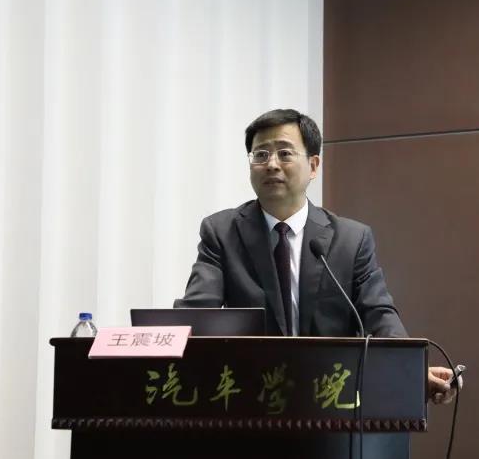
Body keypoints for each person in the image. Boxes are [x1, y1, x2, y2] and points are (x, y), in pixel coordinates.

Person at [174, 108, 456, 403]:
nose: (271, 164)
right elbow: (196, 314)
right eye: (260, 155)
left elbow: (379, 315)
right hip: (249, 399)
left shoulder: (351, 240)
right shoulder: (222, 233)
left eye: (285, 153)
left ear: (313, 165)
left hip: (330, 398)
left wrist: (411, 369)